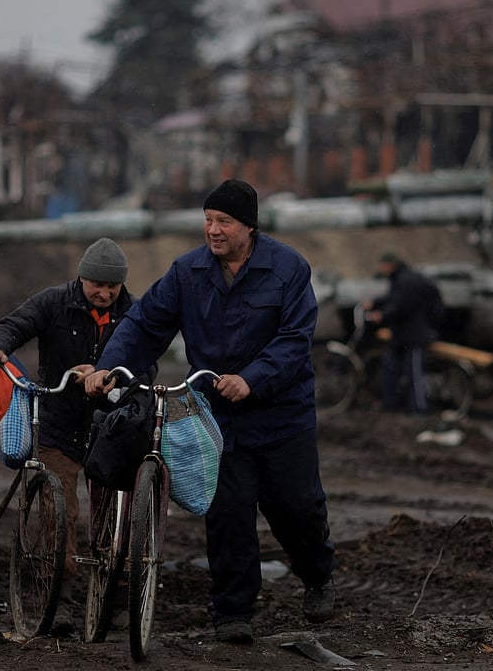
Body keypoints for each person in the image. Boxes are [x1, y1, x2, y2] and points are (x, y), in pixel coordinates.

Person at [84, 178, 337, 645]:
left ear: (249, 228)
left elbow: (295, 339)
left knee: (296, 507)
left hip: (282, 414)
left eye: (224, 222)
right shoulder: (188, 272)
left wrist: (252, 378)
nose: (213, 230)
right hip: (217, 413)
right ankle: (232, 611)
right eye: (208, 220)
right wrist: (113, 369)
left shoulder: (287, 269)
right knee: (229, 512)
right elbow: (145, 324)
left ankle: (318, 574)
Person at [0, 237, 147, 628]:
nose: (103, 293)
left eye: (112, 287)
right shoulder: (54, 303)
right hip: (58, 425)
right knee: (61, 510)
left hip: (111, 427)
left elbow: (148, 363)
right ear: (80, 278)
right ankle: (61, 592)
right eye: (95, 285)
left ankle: (116, 591)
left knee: (114, 512)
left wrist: (115, 378)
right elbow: (13, 325)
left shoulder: (135, 314)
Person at [364, 251, 443, 414]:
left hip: (414, 336)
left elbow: (401, 305)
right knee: (389, 366)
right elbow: (393, 298)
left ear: (390, 264)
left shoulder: (407, 280)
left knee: (414, 373)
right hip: (401, 336)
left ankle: (419, 409)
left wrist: (381, 315)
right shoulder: (401, 279)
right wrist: (374, 302)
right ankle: (391, 405)